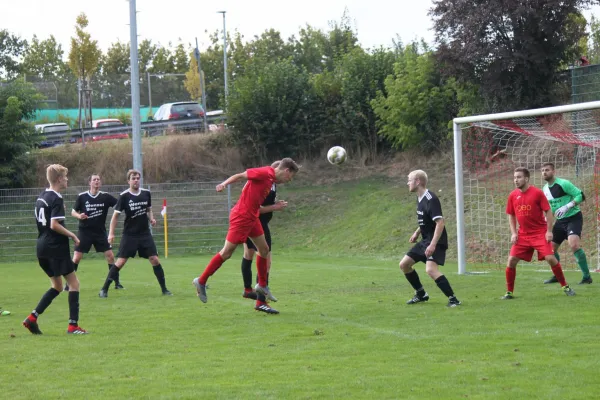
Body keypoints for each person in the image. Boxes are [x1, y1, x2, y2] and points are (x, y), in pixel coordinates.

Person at [193, 158, 299, 314]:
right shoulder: (264, 173)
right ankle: (201, 281)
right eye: (291, 176)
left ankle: (262, 286)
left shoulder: (271, 180)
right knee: (227, 252)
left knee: (264, 250)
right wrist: (224, 184)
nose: (290, 180)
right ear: (286, 171)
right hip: (241, 217)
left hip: (252, 217)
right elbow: (240, 176)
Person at [23, 164, 88, 335]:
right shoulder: (57, 198)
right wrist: (72, 235)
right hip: (55, 247)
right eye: (65, 177)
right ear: (59, 179)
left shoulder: (42, 196)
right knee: (74, 283)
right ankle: (73, 326)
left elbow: (45, 219)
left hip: (42, 247)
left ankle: (32, 318)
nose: (67, 180)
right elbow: (54, 224)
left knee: (57, 286)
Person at [503, 167, 576, 299]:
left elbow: (548, 211)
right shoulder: (513, 195)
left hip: (539, 233)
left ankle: (566, 286)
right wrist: (514, 233)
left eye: (519, 177)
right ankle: (509, 292)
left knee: (550, 258)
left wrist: (548, 231)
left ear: (526, 178)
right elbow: (511, 215)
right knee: (511, 260)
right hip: (523, 235)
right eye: (514, 177)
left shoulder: (537, 193)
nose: (516, 180)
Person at [98, 169, 171, 298]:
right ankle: (104, 289)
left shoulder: (146, 193)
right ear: (128, 181)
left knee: (154, 259)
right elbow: (115, 217)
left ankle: (164, 289)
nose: (136, 180)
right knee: (120, 262)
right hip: (130, 235)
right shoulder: (124, 196)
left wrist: (151, 218)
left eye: (138, 178)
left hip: (144, 234)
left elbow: (148, 209)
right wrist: (111, 233)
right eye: (133, 178)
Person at [399, 170, 462, 308]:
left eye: (409, 180)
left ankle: (453, 299)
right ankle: (421, 294)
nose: (408, 183)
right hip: (425, 239)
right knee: (404, 264)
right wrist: (417, 232)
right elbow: (426, 219)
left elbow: (440, 222)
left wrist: (433, 245)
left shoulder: (431, 198)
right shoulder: (419, 197)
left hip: (436, 241)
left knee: (430, 270)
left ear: (418, 181)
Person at [240, 161, 288, 307]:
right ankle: (261, 301)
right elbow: (257, 209)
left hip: (252, 222)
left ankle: (248, 290)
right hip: (257, 223)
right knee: (266, 261)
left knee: (248, 254)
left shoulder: (272, 184)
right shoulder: (267, 183)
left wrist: (274, 204)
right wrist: (275, 207)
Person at [67, 174, 122, 292]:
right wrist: (79, 216)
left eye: (98, 179)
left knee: (110, 256)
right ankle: (69, 284)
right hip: (84, 232)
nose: (96, 181)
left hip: (100, 232)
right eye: (94, 179)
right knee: (76, 257)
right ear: (89, 183)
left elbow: (119, 206)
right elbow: (72, 212)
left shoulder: (105, 197)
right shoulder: (82, 197)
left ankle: (116, 282)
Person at [541, 163, 591, 285]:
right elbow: (551, 209)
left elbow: (581, 195)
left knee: (573, 245)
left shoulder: (563, 184)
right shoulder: (545, 189)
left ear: (553, 171)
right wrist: (546, 220)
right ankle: (557, 275)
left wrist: (568, 206)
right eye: (542, 170)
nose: (544, 172)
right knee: (550, 249)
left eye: (547, 170)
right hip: (560, 221)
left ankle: (587, 277)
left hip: (574, 218)